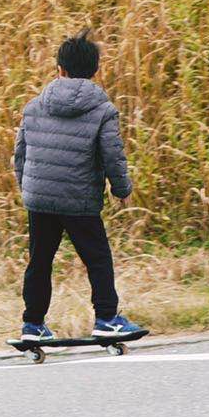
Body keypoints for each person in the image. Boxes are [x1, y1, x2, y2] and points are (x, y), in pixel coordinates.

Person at [11, 30, 146, 342]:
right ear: (95, 71)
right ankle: (107, 318)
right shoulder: (103, 110)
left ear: (60, 69)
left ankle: (32, 325)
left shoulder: (34, 106)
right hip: (78, 198)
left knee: (39, 260)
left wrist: (28, 189)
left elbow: (20, 154)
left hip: (40, 198)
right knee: (97, 257)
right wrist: (121, 189)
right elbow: (112, 154)